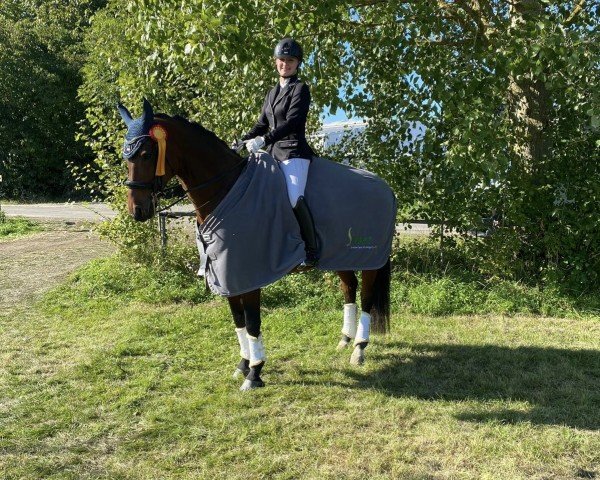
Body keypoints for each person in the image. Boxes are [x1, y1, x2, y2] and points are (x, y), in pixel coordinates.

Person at [241, 38, 319, 268]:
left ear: (297, 63)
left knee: (295, 198)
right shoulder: (271, 92)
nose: (285, 64)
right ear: (276, 61)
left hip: (294, 152)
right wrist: (243, 139)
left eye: (290, 60)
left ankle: (311, 251)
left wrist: (264, 140)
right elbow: (262, 123)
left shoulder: (300, 89)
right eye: (282, 60)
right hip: (274, 153)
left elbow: (294, 122)